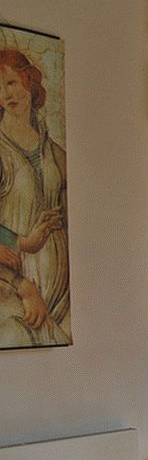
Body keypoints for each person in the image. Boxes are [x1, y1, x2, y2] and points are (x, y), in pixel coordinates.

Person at [0, 48, 70, 347]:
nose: (5, 94)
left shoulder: (54, 152)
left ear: (30, 81)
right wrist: (22, 242)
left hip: (62, 294)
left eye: (11, 82)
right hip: (17, 290)